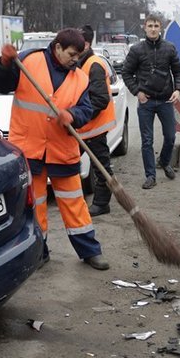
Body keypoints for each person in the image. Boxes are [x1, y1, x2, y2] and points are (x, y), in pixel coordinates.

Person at [0, 28, 109, 271]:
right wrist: (4, 63)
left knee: (75, 204)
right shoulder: (29, 61)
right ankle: (38, 252)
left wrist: (72, 115)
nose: (76, 60)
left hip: (62, 151)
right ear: (58, 47)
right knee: (36, 205)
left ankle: (90, 251)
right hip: (30, 150)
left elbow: (87, 109)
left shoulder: (81, 78)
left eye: (79, 55)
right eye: (72, 54)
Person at [121, 13, 180, 189]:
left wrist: (178, 90)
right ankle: (150, 176)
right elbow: (126, 73)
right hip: (146, 102)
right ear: (145, 27)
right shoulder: (136, 50)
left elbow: (178, 71)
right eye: (150, 26)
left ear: (160, 28)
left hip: (165, 101)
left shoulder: (169, 48)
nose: (153, 29)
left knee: (170, 137)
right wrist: (137, 91)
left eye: (156, 26)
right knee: (147, 141)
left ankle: (164, 161)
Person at [77, 24, 116, 216]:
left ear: (84, 44)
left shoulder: (93, 64)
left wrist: (79, 117)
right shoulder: (82, 62)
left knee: (101, 166)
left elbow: (100, 99)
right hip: (85, 127)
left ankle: (101, 203)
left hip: (93, 127)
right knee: (71, 162)